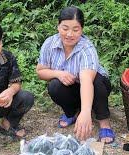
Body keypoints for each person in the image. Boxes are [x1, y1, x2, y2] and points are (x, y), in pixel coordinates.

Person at [36, 6, 115, 144]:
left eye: (75, 29)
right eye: (65, 28)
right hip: (73, 88)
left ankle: (104, 122)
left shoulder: (86, 48)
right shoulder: (49, 44)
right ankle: (71, 113)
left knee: (96, 80)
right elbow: (41, 71)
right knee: (54, 85)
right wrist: (58, 73)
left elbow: (86, 82)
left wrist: (85, 113)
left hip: (94, 87)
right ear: (58, 27)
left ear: (82, 30)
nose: (69, 34)